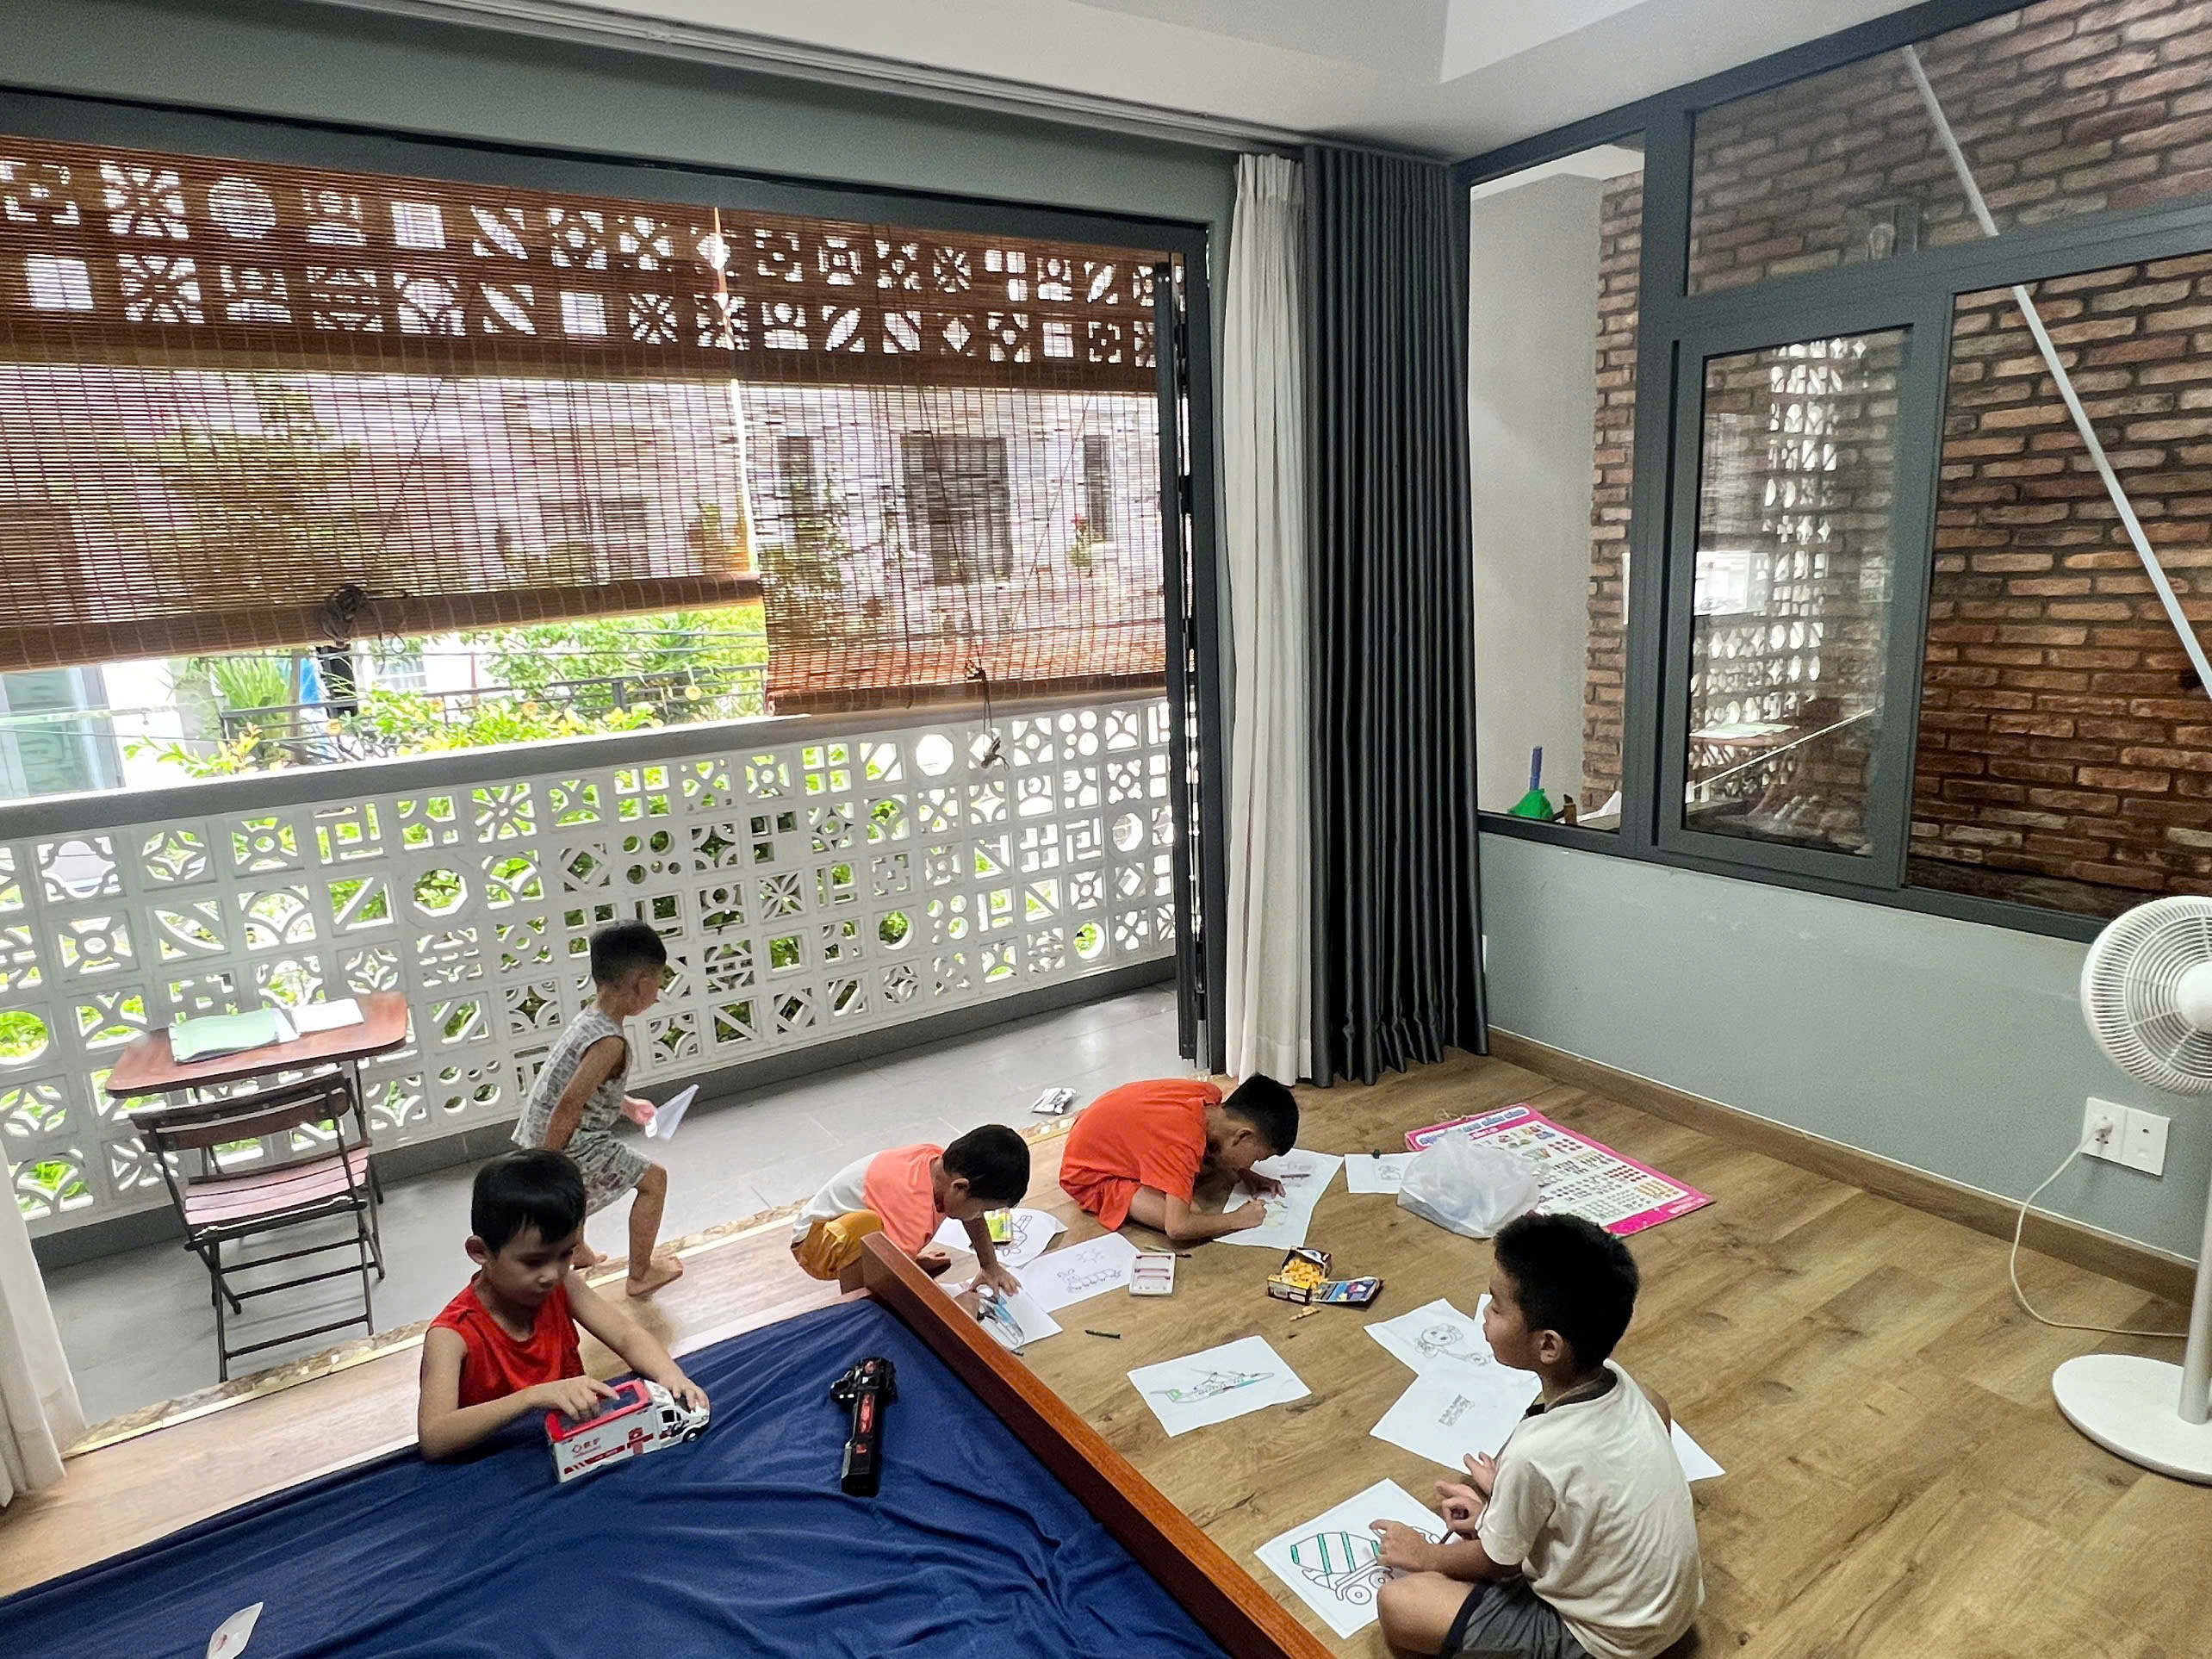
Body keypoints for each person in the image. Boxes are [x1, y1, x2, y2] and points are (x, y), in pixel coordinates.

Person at [1368, 1213, 1702, 1659]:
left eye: (1496, 1305)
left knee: (1400, 1605)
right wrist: (1503, 1501)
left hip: (1607, 1641)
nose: (1485, 1313)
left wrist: (1425, 1554)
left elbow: (1497, 1563)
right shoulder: (1624, 1385)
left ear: (1548, 1345)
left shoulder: (1536, 1452)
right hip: (1668, 1612)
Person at [418, 1149, 708, 1462]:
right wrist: (531, 1397)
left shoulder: (563, 1285)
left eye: (565, 1254)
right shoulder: (451, 1335)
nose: (552, 1274)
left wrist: (670, 1375)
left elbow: (626, 1335)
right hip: (504, 1465)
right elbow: (435, 1437)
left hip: (578, 1448)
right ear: (481, 1252)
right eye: (533, 1261)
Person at [510, 919, 681, 1297]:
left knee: (577, 1188)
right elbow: (571, 1103)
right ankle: (641, 1274)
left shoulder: (589, 1021)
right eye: (658, 981)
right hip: (568, 1139)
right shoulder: (609, 1042)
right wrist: (549, 1164)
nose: (658, 991)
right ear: (642, 985)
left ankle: (578, 1250)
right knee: (654, 1181)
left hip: (544, 1129)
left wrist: (628, 1105)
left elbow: (585, 1087)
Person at [1057, 1074, 1297, 1244]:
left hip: (1096, 1130)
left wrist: (1245, 1173)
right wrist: (1237, 1219)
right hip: (1088, 1173)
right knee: (1195, 1217)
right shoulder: (1183, 1143)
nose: (1251, 1164)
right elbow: (1177, 1228)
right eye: (1256, 1158)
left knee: (1202, 1180)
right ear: (1243, 1136)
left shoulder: (1209, 1097)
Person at [791, 1124, 1031, 1293]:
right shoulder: (910, 1213)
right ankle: (857, 1303)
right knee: (866, 1231)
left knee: (878, 1234)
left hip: (836, 1224)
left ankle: (904, 1257)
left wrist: (990, 1266)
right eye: (983, 1211)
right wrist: (960, 1306)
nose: (980, 1217)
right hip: (813, 1246)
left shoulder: (940, 1164)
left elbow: (972, 1218)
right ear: (960, 1187)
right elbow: (898, 1289)